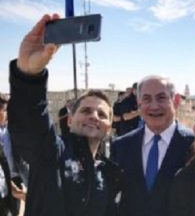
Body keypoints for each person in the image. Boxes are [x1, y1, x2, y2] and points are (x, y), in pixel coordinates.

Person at [8, 14, 122, 216]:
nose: (94, 116)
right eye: (86, 110)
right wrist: (28, 75)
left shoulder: (110, 173)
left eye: (102, 114)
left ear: (109, 126)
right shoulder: (53, 153)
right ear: (69, 120)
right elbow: (31, 127)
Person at [110, 75, 195, 216]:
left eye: (161, 98)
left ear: (176, 101)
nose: (154, 106)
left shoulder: (194, 145)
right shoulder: (121, 146)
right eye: (147, 99)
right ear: (139, 102)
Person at [0, 94, 17, 216]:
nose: (6, 114)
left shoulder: (9, 128)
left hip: (5, 191)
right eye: (5, 110)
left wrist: (11, 187)